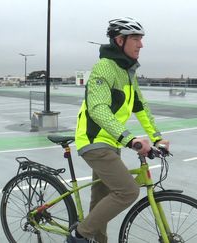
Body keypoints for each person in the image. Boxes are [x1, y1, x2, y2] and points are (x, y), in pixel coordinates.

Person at [71, 17, 170, 243]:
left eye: (141, 39)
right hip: (94, 141)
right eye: (136, 39)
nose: (141, 45)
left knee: (100, 201)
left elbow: (141, 107)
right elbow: (98, 110)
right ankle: (78, 235)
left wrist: (157, 138)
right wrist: (131, 140)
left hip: (112, 143)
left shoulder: (127, 72)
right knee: (127, 191)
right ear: (120, 40)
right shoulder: (103, 68)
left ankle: (96, 240)